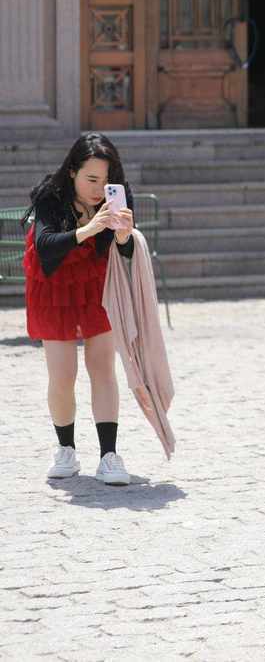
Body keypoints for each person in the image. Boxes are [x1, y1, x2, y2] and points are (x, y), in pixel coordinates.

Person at [22, 133, 135, 485]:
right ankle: (66, 450)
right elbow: (45, 245)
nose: (99, 189)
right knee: (62, 375)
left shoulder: (117, 195)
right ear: (72, 171)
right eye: (91, 179)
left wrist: (124, 236)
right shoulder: (51, 196)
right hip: (53, 286)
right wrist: (89, 228)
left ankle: (109, 456)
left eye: (106, 180)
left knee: (103, 368)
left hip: (96, 285)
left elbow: (127, 253)